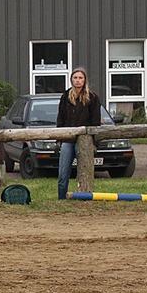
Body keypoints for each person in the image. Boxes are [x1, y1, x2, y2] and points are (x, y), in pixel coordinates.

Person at [56, 66, 101, 200]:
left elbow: (95, 121)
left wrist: (93, 142)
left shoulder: (92, 97)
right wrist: (59, 138)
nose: (78, 80)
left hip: (85, 139)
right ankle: (61, 198)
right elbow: (60, 119)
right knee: (63, 173)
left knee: (85, 171)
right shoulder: (65, 96)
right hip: (67, 139)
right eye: (75, 78)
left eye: (80, 78)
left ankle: (84, 197)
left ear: (85, 80)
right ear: (71, 80)